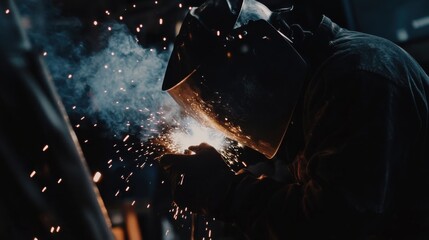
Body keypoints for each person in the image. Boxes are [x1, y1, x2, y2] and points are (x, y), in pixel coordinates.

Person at [158, 0, 429, 239]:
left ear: (258, 65)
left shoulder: (355, 81)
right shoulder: (315, 89)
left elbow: (332, 223)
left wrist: (228, 193)